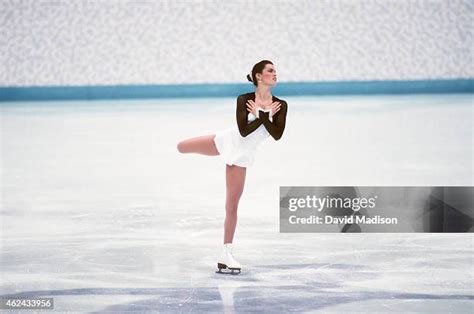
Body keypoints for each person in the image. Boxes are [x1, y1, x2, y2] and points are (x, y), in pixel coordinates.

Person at [177, 60, 288, 273]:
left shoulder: (280, 105)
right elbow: (244, 130)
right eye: (270, 71)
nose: (275, 74)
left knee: (232, 204)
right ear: (258, 76)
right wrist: (262, 116)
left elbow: (277, 134)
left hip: (240, 155)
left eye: (275, 71)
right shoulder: (244, 99)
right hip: (226, 140)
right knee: (181, 147)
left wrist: (261, 114)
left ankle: (226, 254)